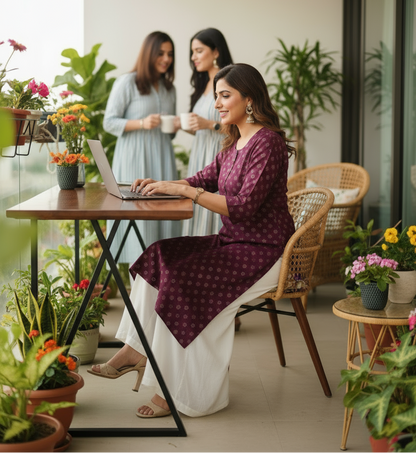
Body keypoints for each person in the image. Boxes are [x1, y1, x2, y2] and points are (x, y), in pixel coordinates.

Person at [89, 63, 296, 418]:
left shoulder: (268, 144)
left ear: (250, 99)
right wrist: (162, 184)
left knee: (182, 283)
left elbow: (243, 208)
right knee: (156, 255)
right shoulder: (234, 142)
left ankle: (174, 391)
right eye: (216, 95)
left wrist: (189, 191)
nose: (217, 103)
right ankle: (136, 348)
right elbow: (203, 177)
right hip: (232, 243)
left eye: (225, 95)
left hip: (264, 252)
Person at [103, 31, 181, 268]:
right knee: (136, 214)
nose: (166, 59)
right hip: (134, 157)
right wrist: (142, 123)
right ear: (149, 53)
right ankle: (135, 284)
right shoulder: (127, 82)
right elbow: (109, 122)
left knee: (164, 214)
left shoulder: (170, 89)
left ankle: (161, 280)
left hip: (162, 157)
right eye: (160, 53)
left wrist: (174, 125)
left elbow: (170, 133)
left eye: (170, 54)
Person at [181, 28, 233, 237]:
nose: (193, 57)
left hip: (220, 154)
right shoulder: (202, 85)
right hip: (200, 155)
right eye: (192, 52)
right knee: (197, 207)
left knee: (214, 206)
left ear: (216, 52)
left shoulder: (230, 80)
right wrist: (189, 126)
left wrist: (210, 125)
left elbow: (243, 125)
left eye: (199, 51)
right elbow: (203, 125)